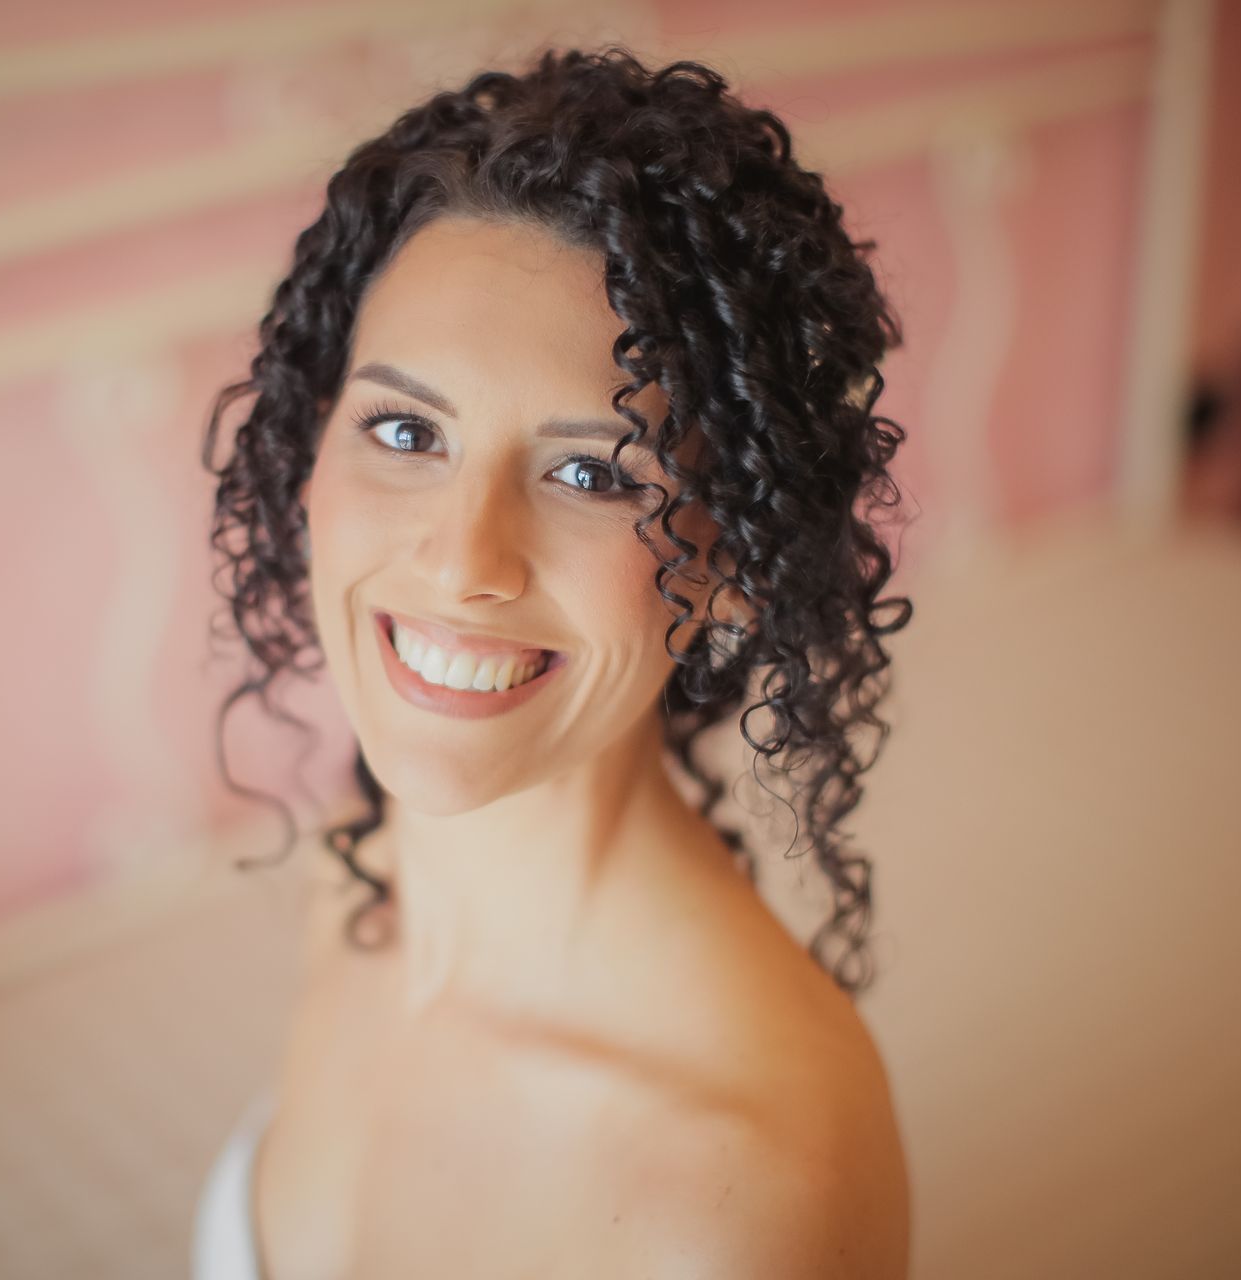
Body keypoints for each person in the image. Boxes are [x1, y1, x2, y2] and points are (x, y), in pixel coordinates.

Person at [195, 45, 914, 1279]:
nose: (463, 560)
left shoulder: (735, 1198)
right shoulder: (359, 887)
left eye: (590, 472)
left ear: (736, 559)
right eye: (405, 429)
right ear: (309, 453)